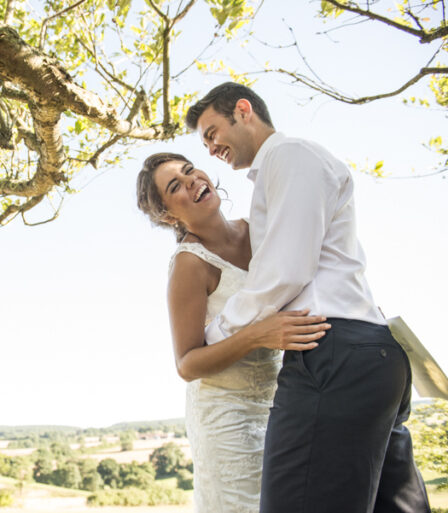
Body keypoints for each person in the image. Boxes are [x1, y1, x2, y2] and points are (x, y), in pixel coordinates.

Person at [184, 82, 431, 513]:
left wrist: (217, 333)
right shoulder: (282, 167)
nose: (210, 149)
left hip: (332, 356)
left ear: (243, 110)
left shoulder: (290, 156)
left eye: (211, 133)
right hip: (367, 356)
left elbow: (284, 272)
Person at [136, 152, 330, 513]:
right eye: (176, 186)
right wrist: (259, 335)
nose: (192, 181)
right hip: (225, 417)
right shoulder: (189, 264)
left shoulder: (259, 230)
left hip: (282, 404)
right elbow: (187, 364)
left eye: (190, 170)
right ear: (167, 214)